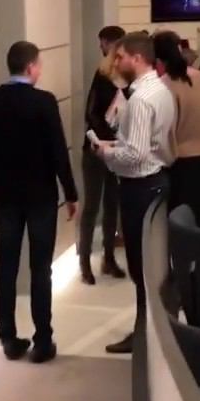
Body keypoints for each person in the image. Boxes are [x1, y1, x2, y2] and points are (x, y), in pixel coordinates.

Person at [0, 41, 78, 364]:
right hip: (40, 198)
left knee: (6, 266)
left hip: (5, 199)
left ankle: (7, 335)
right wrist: (71, 193)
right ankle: (42, 339)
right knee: (40, 269)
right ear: (31, 67)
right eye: (39, 65)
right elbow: (58, 152)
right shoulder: (44, 102)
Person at [96, 32, 176, 354]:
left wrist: (106, 153)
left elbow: (136, 154)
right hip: (155, 181)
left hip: (140, 187)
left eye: (120, 57)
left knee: (142, 268)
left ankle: (145, 335)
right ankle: (153, 331)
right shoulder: (160, 89)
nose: (115, 62)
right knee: (151, 266)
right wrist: (119, 146)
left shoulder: (141, 98)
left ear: (137, 58)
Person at [78, 32, 128, 285]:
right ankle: (84, 261)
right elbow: (91, 113)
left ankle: (108, 258)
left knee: (112, 205)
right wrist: (105, 135)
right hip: (96, 149)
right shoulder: (102, 77)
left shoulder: (130, 82)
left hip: (118, 149)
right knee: (91, 206)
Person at [157, 31, 200, 229]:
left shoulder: (165, 84)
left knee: (181, 230)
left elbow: (166, 130)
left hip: (181, 164)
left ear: (157, 60)